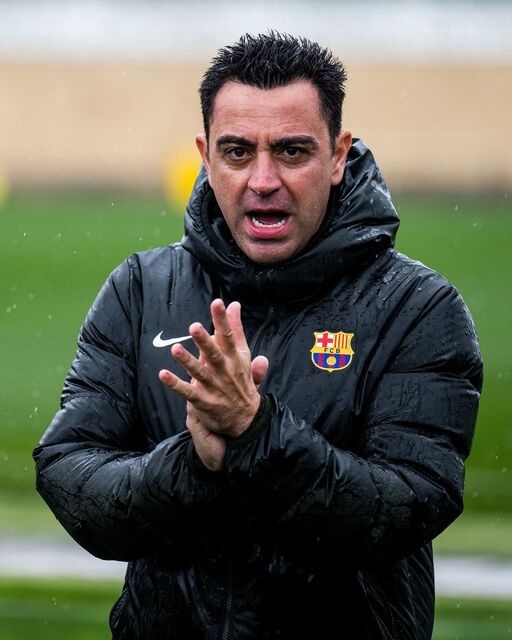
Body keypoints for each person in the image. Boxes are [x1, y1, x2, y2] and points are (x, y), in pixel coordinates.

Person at [34, 32, 482, 639]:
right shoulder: (140, 290)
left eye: (292, 152)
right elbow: (70, 474)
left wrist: (256, 433)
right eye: (238, 152)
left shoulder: (417, 308)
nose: (263, 179)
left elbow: (409, 504)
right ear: (205, 156)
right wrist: (192, 464)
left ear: (338, 155)